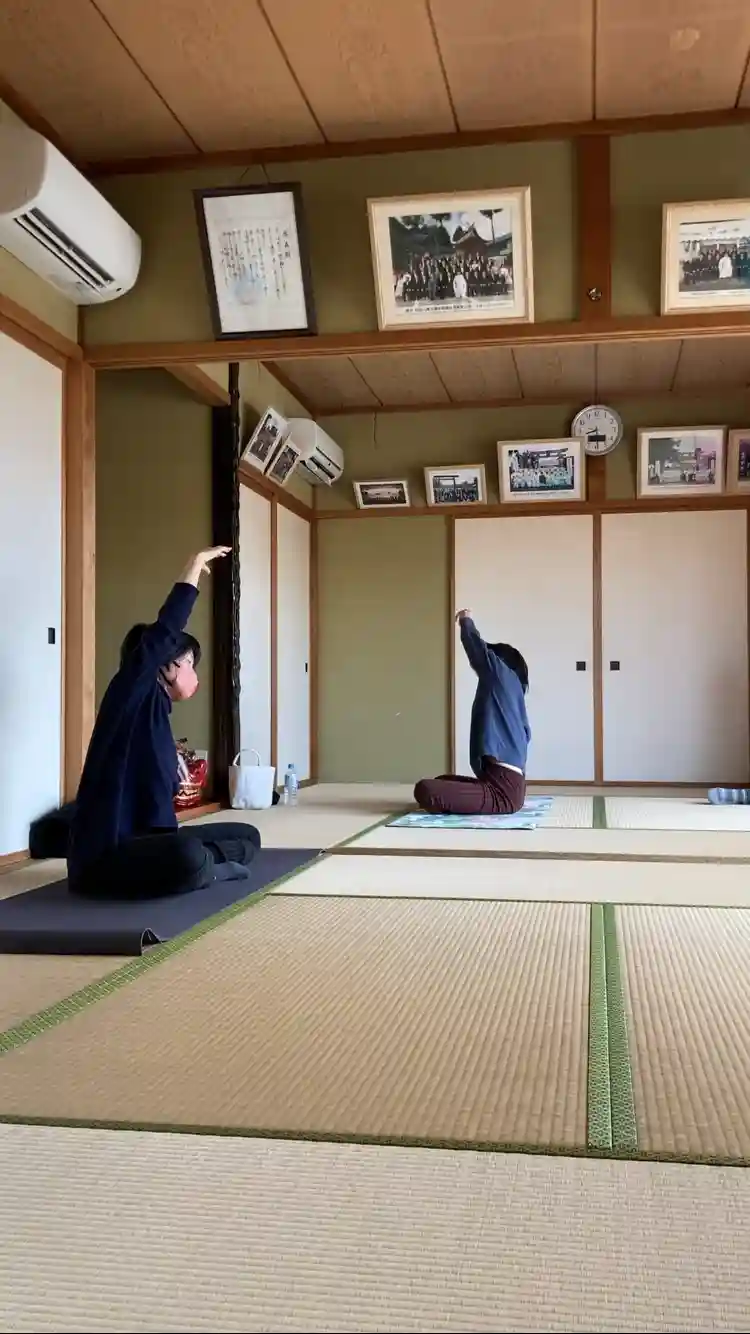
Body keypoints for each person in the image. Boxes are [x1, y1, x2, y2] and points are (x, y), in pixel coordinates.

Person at [68, 547, 261, 899]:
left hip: (151, 844)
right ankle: (205, 868)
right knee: (186, 855)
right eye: (189, 663)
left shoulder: (158, 712)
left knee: (248, 836)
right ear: (165, 664)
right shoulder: (130, 694)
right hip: (107, 857)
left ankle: (204, 865)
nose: (194, 673)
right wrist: (194, 566)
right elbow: (166, 629)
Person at [414, 609, 530, 816]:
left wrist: (466, 621)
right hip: (505, 783)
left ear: (499, 662)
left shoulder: (501, 675)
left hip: (502, 791)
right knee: (442, 780)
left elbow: (478, 651)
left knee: (426, 789)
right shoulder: (512, 693)